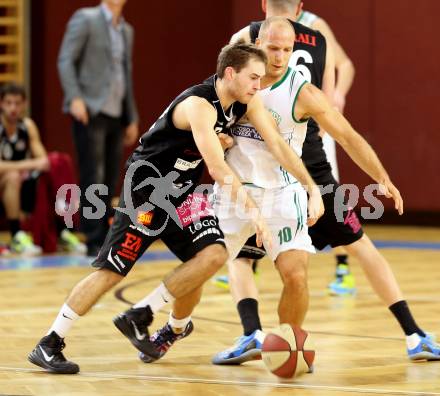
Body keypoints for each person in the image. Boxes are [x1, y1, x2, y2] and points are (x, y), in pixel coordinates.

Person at [28, 40, 323, 374]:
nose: (259, 85)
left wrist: (310, 186)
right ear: (230, 73)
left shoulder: (244, 101)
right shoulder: (200, 104)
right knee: (112, 271)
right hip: (147, 193)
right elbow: (218, 169)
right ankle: (50, 342)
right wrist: (255, 212)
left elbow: (278, 144)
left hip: (180, 196)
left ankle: (153, 318)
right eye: (253, 77)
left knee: (212, 255)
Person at [212, 0, 440, 364]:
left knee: (249, 260)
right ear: (300, 6)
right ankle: (413, 333)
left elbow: (223, 88)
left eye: (285, 50)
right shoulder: (319, 37)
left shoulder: (250, 38)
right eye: (274, 49)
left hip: (294, 168)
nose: (279, 55)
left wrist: (381, 176)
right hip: (294, 162)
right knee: (355, 248)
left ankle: (255, 333)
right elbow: (337, 101)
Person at [57, 0, 139, 257]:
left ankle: (104, 233)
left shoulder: (126, 30)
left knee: (111, 175)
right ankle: (93, 236)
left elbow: (125, 73)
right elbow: (65, 59)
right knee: (93, 174)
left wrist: (131, 116)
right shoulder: (86, 18)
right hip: (89, 109)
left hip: (116, 111)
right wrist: (75, 98)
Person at [294, 2, 357, 295]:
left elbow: (344, 64)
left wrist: (337, 97)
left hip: (312, 122)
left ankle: (343, 265)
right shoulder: (266, 27)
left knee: (329, 191)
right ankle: (247, 262)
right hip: (279, 123)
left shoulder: (313, 24)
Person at [0, 82, 85, 255]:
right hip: (6, 181)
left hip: (22, 183)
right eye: (9, 103)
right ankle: (16, 235)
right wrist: (28, 165)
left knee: (55, 168)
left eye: (17, 103)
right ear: (1, 104)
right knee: (12, 176)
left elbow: (43, 160)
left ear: (24, 104)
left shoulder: (28, 126)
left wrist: (39, 165)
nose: (13, 108)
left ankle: (63, 230)